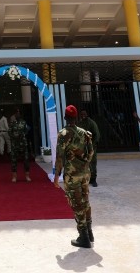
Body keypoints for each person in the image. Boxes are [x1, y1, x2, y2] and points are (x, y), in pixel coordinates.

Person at [53, 105, 95, 248]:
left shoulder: (63, 134)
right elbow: (91, 153)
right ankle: (89, 231)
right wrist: (84, 164)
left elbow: (59, 157)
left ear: (65, 117)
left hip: (72, 175)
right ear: (76, 117)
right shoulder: (84, 133)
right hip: (84, 173)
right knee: (85, 200)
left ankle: (83, 237)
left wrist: (56, 176)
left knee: (77, 204)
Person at [78, 109, 101, 187]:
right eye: (81, 114)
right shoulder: (80, 123)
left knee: (93, 163)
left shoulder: (91, 123)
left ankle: (93, 179)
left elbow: (96, 134)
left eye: (84, 114)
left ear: (87, 114)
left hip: (91, 146)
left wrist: (93, 145)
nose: (83, 116)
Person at [8, 108, 31, 182]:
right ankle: (14, 177)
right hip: (15, 144)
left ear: (20, 115)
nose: (17, 114)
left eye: (19, 113)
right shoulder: (12, 123)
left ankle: (27, 176)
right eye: (16, 113)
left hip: (23, 144)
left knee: (26, 161)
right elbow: (9, 132)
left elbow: (27, 131)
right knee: (14, 161)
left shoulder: (24, 123)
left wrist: (22, 134)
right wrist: (14, 136)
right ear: (15, 114)